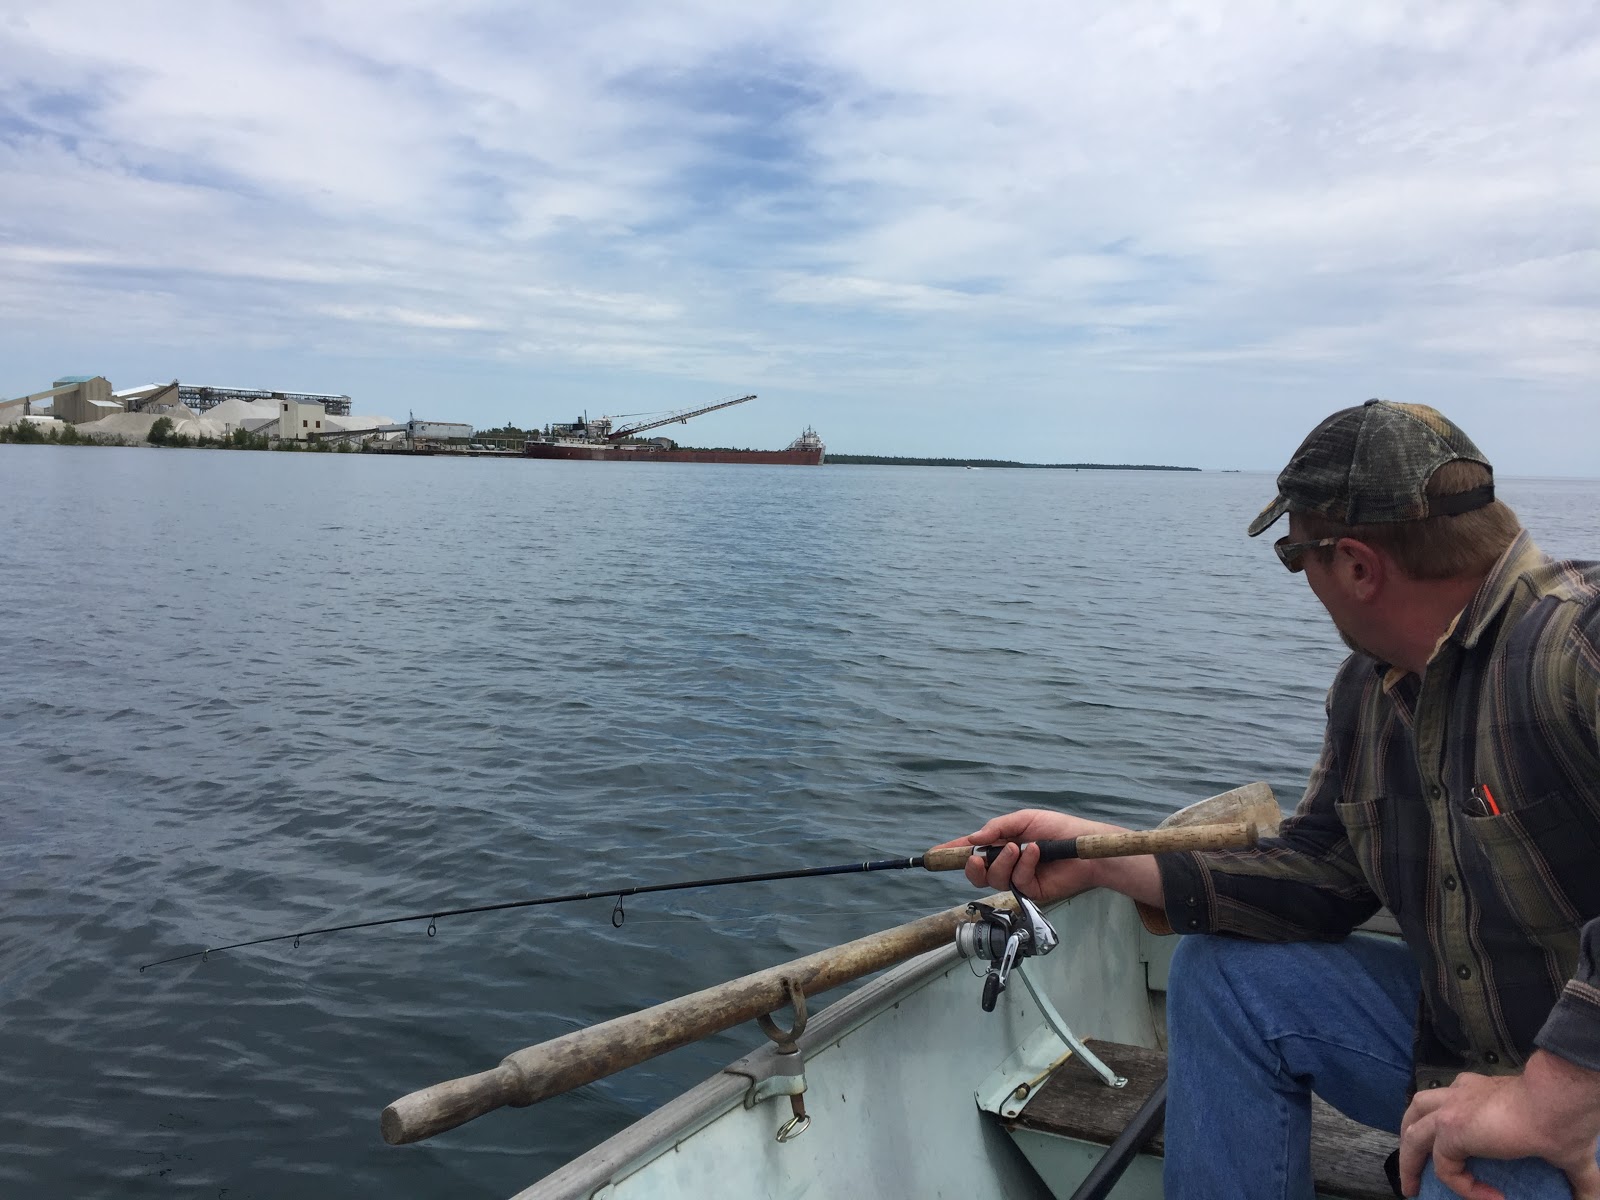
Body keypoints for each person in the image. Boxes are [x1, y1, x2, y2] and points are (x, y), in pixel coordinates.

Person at [956, 400, 1600, 1200]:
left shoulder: (1579, 647)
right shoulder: (1369, 691)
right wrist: (1107, 859)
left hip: (1579, 1084)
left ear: (1358, 565)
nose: (1304, 583)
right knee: (1223, 975)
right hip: (1461, 1043)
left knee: (1472, 1168)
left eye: (1296, 556)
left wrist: (1555, 1094)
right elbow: (1322, 875)